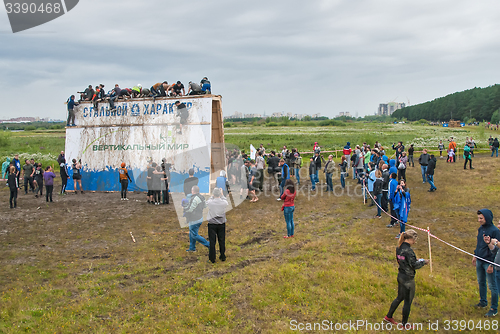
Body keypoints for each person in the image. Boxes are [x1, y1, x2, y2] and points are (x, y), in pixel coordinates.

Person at [384, 230, 429, 328]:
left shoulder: (399, 248)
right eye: (415, 240)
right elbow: (414, 265)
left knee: (399, 297)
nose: (415, 242)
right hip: (408, 279)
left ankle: (388, 316)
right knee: (407, 301)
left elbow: (403, 260)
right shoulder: (409, 251)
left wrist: (415, 260)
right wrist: (423, 262)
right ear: (411, 239)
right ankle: (404, 324)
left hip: (400, 275)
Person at [473, 209, 500, 317]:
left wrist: (492, 264)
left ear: (487, 218)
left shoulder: (495, 231)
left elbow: (497, 251)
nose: (479, 220)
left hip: (489, 263)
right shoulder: (481, 229)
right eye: (478, 218)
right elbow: (479, 243)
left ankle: (494, 308)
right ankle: (483, 301)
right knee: (481, 282)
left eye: (481, 218)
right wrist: (475, 255)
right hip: (479, 260)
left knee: (493, 286)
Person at [184, 185, 209, 252]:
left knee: (194, 235)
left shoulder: (194, 198)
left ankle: (209, 244)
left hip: (194, 219)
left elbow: (189, 209)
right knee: (192, 233)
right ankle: (192, 248)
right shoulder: (202, 197)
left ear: (193, 191)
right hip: (200, 218)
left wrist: (184, 208)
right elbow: (205, 206)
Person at [207, 188, 228, 263]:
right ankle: (222, 256)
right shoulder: (224, 202)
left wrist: (213, 195)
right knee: (222, 240)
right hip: (221, 224)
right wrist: (222, 194)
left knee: (212, 241)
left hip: (212, 224)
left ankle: (212, 258)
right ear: (220, 194)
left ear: (213, 194)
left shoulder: (210, 202)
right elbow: (225, 200)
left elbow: (208, 200)